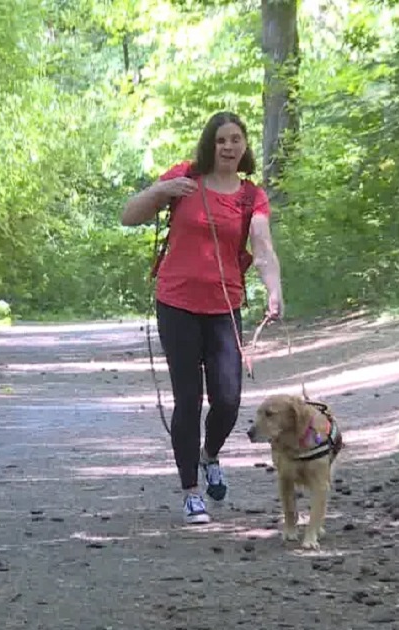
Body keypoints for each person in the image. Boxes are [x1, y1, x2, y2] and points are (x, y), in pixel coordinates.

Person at [120, 111, 284, 524]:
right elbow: (129, 216)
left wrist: (274, 289)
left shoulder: (251, 196)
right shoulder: (183, 179)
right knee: (188, 400)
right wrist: (161, 190)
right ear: (209, 144)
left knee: (228, 400)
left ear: (244, 146)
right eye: (221, 140)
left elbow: (261, 246)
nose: (229, 147)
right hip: (176, 303)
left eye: (236, 140)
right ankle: (191, 490)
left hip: (225, 306)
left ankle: (209, 455)